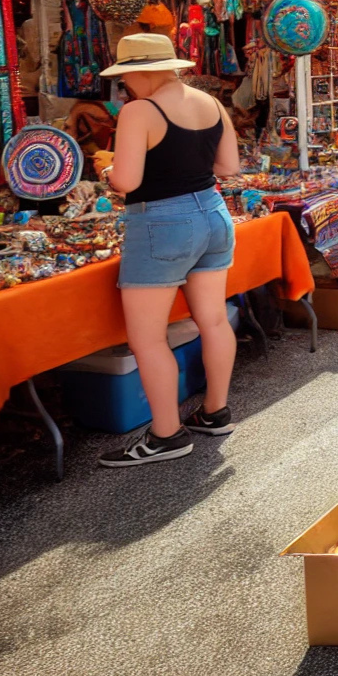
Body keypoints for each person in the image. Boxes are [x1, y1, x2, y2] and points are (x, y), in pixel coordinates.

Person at [94, 33, 241, 467]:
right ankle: (216, 412)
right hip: (214, 213)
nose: (126, 89)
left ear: (141, 72)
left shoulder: (140, 110)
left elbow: (127, 181)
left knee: (147, 338)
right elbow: (229, 168)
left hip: (162, 222)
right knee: (213, 320)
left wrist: (107, 171)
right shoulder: (211, 104)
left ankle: (166, 434)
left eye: (126, 79)